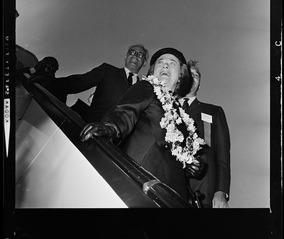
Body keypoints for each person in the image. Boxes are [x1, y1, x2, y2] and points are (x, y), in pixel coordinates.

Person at [80, 48, 205, 203]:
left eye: (172, 64)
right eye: (160, 62)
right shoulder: (147, 87)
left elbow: (181, 153)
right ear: (153, 70)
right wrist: (111, 127)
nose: (165, 66)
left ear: (180, 75)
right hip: (142, 179)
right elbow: (126, 111)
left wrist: (193, 166)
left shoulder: (184, 118)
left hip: (174, 191)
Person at [179, 60, 231, 208]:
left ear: (200, 84)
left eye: (196, 75)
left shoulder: (214, 112)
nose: (193, 77)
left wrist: (221, 192)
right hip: (171, 186)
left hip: (203, 192)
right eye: (189, 74)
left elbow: (222, 156)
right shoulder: (166, 109)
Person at [51, 44, 149, 122]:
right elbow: (78, 82)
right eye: (131, 52)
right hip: (91, 127)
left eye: (140, 54)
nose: (135, 56)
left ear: (144, 62)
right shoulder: (107, 70)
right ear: (125, 56)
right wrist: (49, 82)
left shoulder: (143, 89)